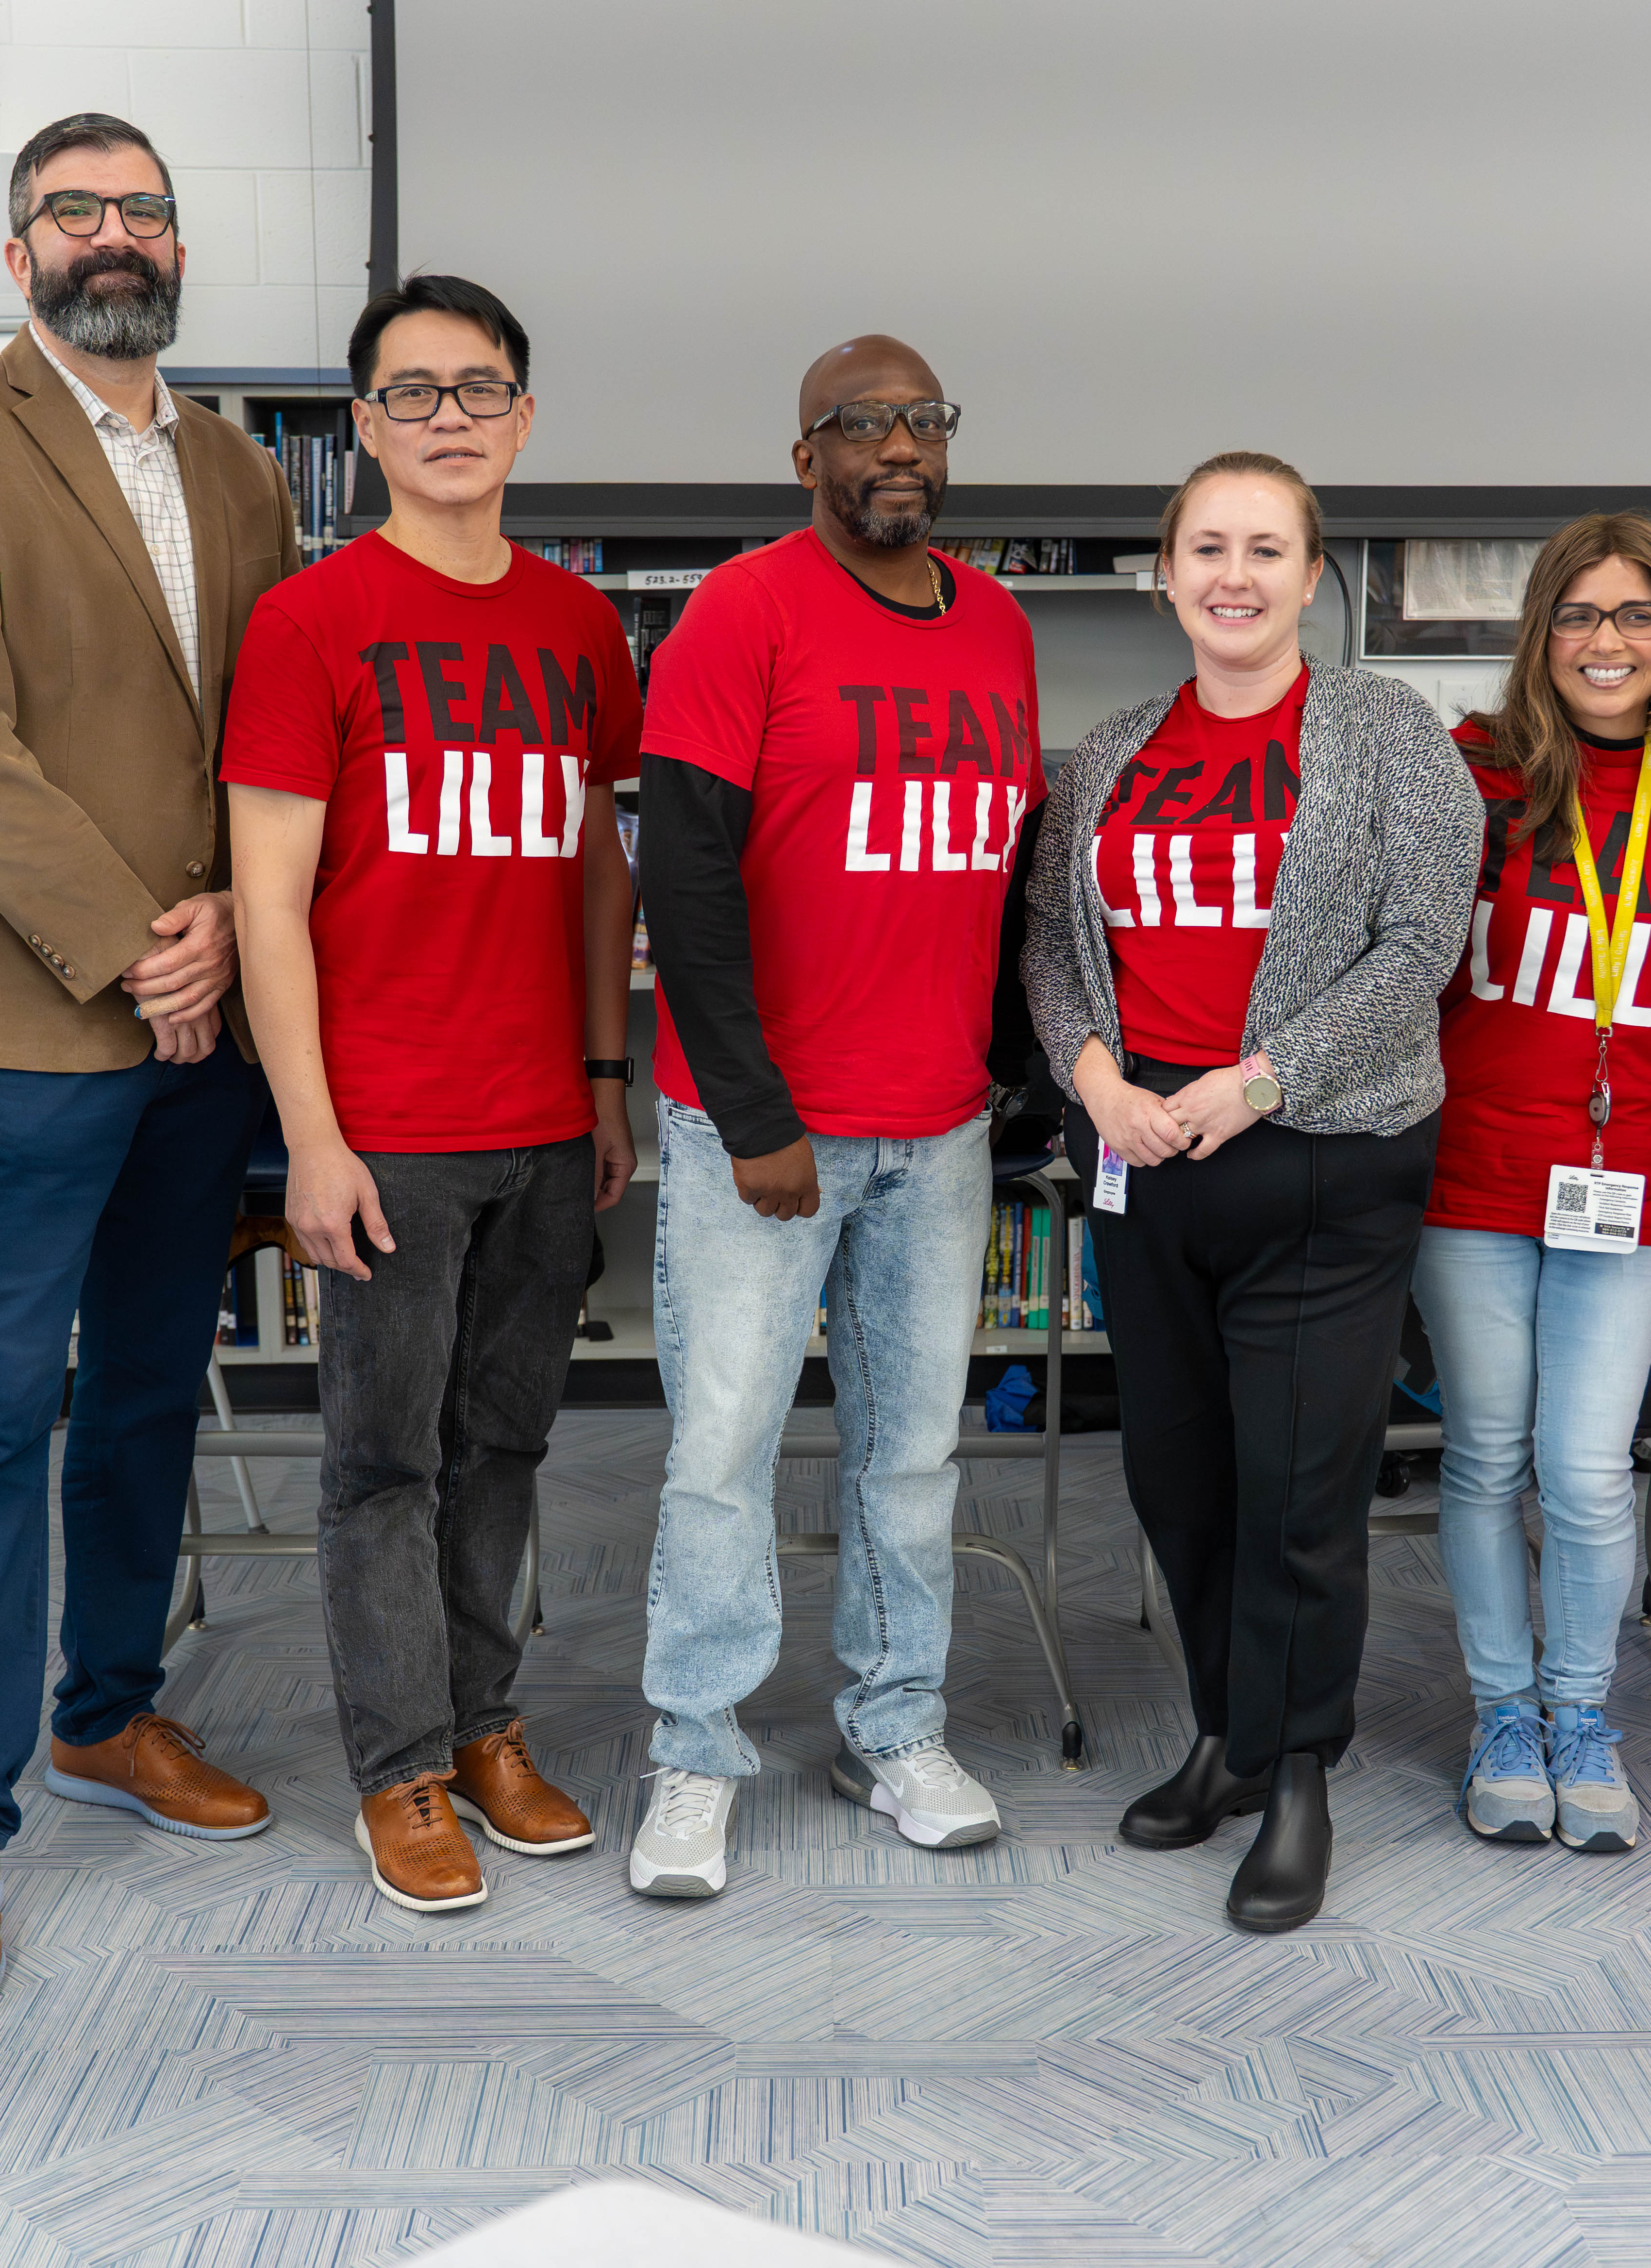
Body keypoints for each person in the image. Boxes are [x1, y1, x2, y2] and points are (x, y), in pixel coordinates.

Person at [0, 113, 303, 2012]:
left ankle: (107, 1711)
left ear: (177, 244)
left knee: (144, 1397)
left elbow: (271, 728)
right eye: (75, 210)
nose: (114, 234)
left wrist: (220, 930)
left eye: (144, 209)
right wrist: (139, 943)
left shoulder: (240, 467)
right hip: (29, 1020)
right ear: (17, 249)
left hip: (209, 1011)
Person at [221, 274, 640, 1913]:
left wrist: (607, 1073)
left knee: (507, 1446)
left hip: (545, 1117)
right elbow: (269, 899)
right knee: (381, 1466)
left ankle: (483, 1724)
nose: (449, 415)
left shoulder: (577, 624)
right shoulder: (310, 622)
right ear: (364, 429)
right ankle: (398, 1771)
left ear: (525, 418)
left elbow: (599, 866)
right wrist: (311, 1141)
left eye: (479, 388)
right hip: (385, 1125)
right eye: (413, 393)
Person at [1023, 450, 1480, 1933]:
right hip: (1143, 1157)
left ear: (1311, 575)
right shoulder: (1101, 756)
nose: (1234, 575)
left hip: (1319, 1154)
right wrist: (1097, 1083)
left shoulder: (1387, 734)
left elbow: (1419, 947)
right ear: (1166, 573)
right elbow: (1045, 946)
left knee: (1297, 1490)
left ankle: (1299, 1780)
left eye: (1265, 549)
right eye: (1206, 547)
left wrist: (1260, 1078)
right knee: (1179, 1473)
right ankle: (1225, 1730)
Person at [624, 335, 1041, 1900]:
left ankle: (897, 1727)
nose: (899, 447)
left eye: (923, 419)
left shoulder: (996, 626)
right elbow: (686, 879)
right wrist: (752, 1114)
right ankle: (694, 1747)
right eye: (861, 424)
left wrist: (1004, 1070)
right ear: (805, 458)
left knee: (912, 1455)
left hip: (937, 1131)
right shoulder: (742, 614)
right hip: (767, 1134)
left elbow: (1003, 870)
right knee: (722, 1455)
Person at [1409, 512, 1651, 1856]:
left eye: (1638, 616)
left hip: (1630, 1179)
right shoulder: (1471, 774)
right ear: (1539, 636)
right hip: (1475, 1178)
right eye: (1580, 616)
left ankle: (1580, 1714)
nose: (1608, 643)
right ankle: (1504, 1717)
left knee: (1590, 1471)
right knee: (1488, 1460)